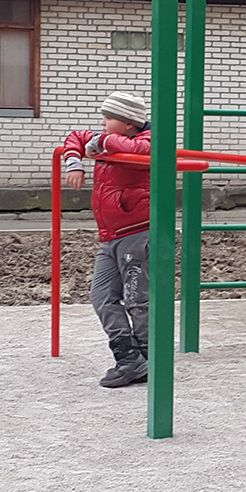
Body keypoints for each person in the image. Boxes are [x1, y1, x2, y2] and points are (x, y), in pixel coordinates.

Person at [61, 92, 154, 388]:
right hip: (110, 234)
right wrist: (74, 162)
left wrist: (101, 142)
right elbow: (76, 136)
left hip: (136, 232)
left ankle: (147, 357)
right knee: (101, 296)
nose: (102, 123)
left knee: (137, 299)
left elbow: (142, 150)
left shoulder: (148, 140)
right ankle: (129, 357)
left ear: (128, 123)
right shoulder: (108, 138)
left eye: (108, 118)